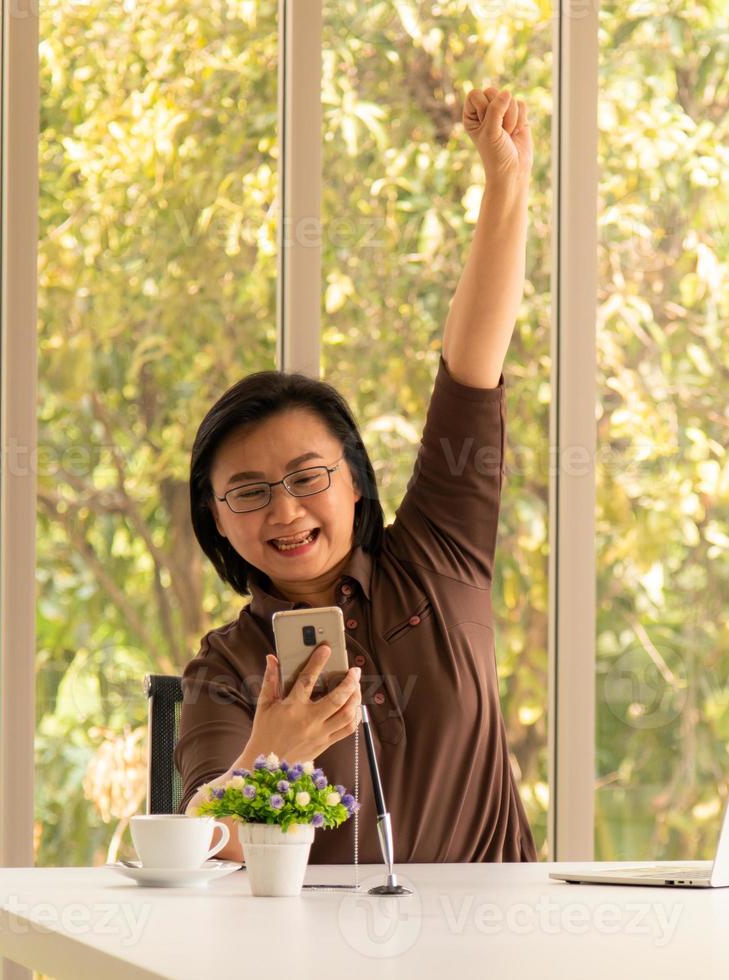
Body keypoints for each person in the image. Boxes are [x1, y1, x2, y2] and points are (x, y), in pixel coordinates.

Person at [174, 85, 536, 864]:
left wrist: (506, 185)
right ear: (218, 519)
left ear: (356, 481)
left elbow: (472, 367)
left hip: (506, 947)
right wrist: (271, 755)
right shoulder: (228, 667)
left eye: (308, 477)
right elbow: (203, 841)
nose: (285, 510)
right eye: (249, 492)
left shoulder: (440, 558)